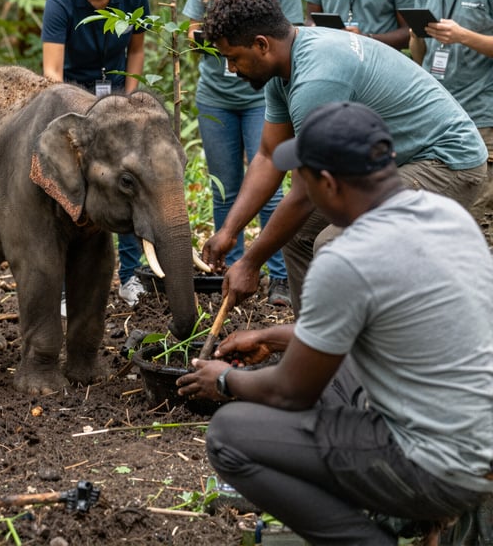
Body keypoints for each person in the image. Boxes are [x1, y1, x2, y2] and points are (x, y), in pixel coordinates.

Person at [176, 102, 493, 545]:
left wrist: (225, 381)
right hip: (481, 442)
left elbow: (291, 392)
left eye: (300, 178)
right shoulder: (449, 217)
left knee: (230, 435)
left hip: (436, 468)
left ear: (327, 184)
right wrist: (275, 337)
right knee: (334, 377)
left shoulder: (348, 257)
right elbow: (396, 327)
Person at [199, 0, 487, 313]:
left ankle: (352, 349)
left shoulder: (316, 79)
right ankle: (311, 345)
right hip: (394, 163)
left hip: (446, 162)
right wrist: (229, 230)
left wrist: (250, 264)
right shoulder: (284, 67)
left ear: (261, 45)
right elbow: (267, 156)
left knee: (334, 243)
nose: (232, 69)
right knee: (298, 235)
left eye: (233, 58)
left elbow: (306, 192)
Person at [183, 0, 302, 306]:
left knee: (268, 183)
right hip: (216, 95)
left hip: (262, 96)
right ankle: (228, 268)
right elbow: (191, 28)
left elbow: (292, 32)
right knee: (225, 187)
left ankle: (279, 275)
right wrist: (204, 40)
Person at [42, 0, 150, 307]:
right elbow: (51, 72)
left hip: (118, 97)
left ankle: (130, 277)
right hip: (74, 103)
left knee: (130, 183)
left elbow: (135, 51)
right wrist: (82, 113)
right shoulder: (62, 2)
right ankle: (68, 287)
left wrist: (130, 99)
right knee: (73, 193)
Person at [409, 0, 493, 218]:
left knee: (480, 218)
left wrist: (463, 36)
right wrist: (419, 34)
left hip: (483, 116)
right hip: (437, 116)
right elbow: (420, 52)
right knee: (437, 216)